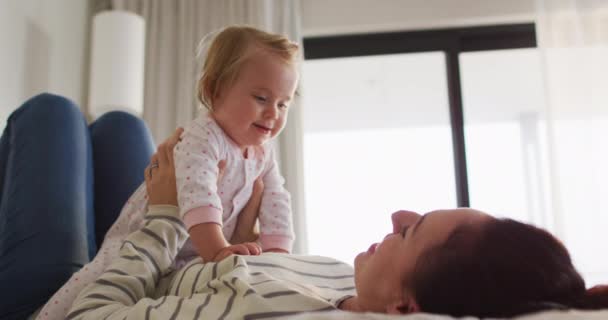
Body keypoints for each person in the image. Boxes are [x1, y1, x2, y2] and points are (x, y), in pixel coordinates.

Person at [64, 127, 608, 319]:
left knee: (54, 117)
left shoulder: (263, 312)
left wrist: (162, 217)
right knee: (118, 127)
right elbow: (231, 271)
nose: (398, 215)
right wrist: (242, 242)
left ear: (404, 306)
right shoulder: (342, 278)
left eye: (410, 232)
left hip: (86, 288)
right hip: (155, 254)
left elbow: (91, 315)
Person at [35, 25, 299, 319]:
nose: (274, 113)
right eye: (261, 99)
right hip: (141, 240)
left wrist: (278, 257)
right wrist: (218, 251)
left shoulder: (264, 153)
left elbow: (278, 200)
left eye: (283, 103)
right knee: (93, 279)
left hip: (188, 257)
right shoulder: (204, 136)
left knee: (93, 120)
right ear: (215, 90)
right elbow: (198, 194)